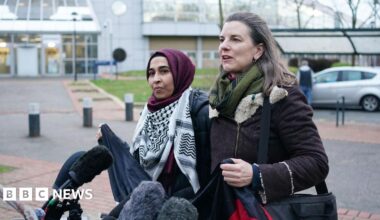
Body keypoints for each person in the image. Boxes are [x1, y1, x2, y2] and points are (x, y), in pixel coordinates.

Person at [209, 12, 329, 204]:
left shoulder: (281, 95)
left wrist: (257, 175)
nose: (224, 45)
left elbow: (316, 163)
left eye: (235, 39)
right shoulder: (219, 96)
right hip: (220, 208)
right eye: (222, 39)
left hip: (260, 211)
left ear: (258, 50)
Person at [97, 48, 211, 219]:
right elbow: (137, 166)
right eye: (151, 73)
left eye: (164, 71)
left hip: (183, 210)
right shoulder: (149, 113)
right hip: (148, 201)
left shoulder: (199, 112)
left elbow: (207, 174)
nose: (156, 79)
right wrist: (110, 143)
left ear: (181, 72)